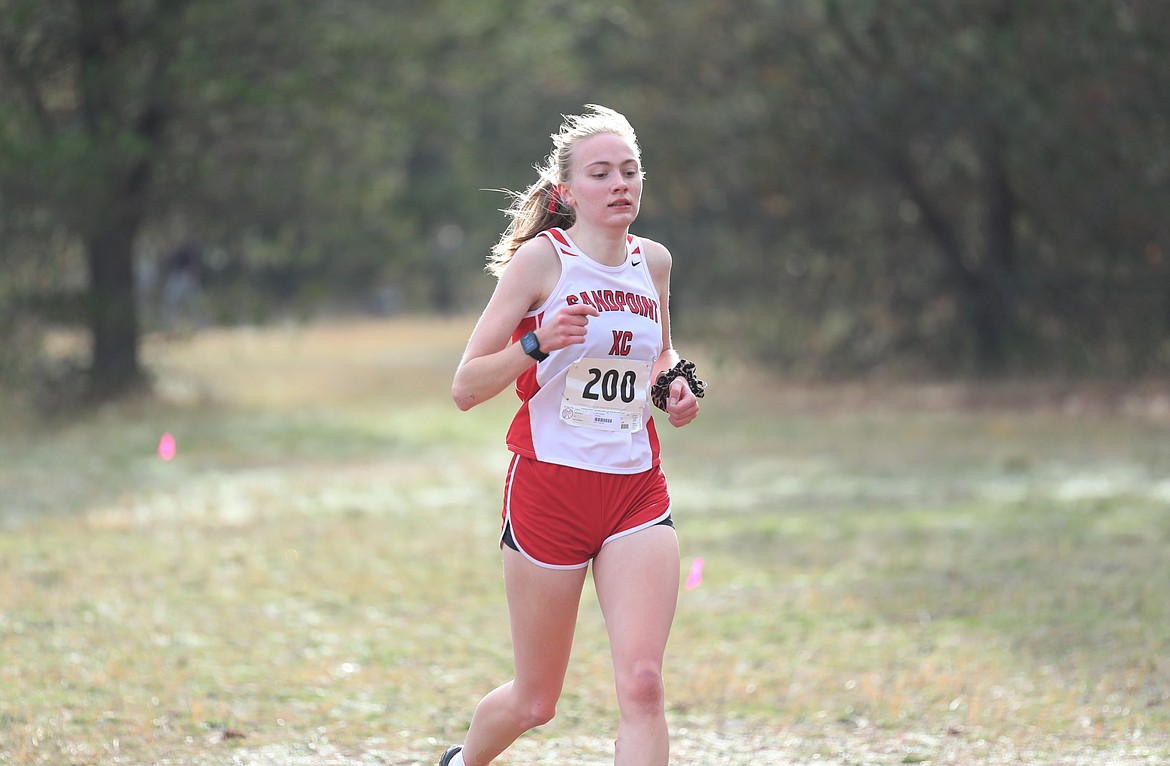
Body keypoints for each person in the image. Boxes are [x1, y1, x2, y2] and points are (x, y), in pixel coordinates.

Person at [445, 105, 706, 766]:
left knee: (643, 687)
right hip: (549, 493)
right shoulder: (541, 263)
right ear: (567, 193)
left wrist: (678, 385)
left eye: (629, 171)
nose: (620, 184)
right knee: (536, 702)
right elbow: (467, 385)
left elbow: (660, 355)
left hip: (634, 495)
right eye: (601, 173)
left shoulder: (654, 263)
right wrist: (536, 341)